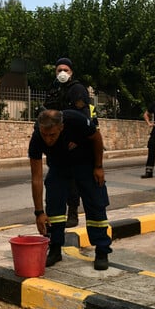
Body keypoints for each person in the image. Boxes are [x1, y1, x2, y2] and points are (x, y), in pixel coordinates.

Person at [28, 109, 112, 270]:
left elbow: (96, 138)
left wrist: (98, 167)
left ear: (61, 127)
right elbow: (36, 178)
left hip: (85, 163)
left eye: (52, 135)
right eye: (45, 135)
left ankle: (102, 250)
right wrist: (39, 212)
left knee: (96, 204)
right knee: (54, 206)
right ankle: (55, 248)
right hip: (59, 167)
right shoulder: (37, 138)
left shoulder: (76, 120)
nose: (48, 140)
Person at [43, 57, 91, 227]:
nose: (62, 73)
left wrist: (77, 140)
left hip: (73, 142)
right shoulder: (53, 89)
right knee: (54, 179)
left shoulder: (77, 89)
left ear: (71, 72)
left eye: (66, 70)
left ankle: (73, 213)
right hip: (57, 143)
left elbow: (85, 117)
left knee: (72, 181)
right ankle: (55, 214)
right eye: (59, 70)